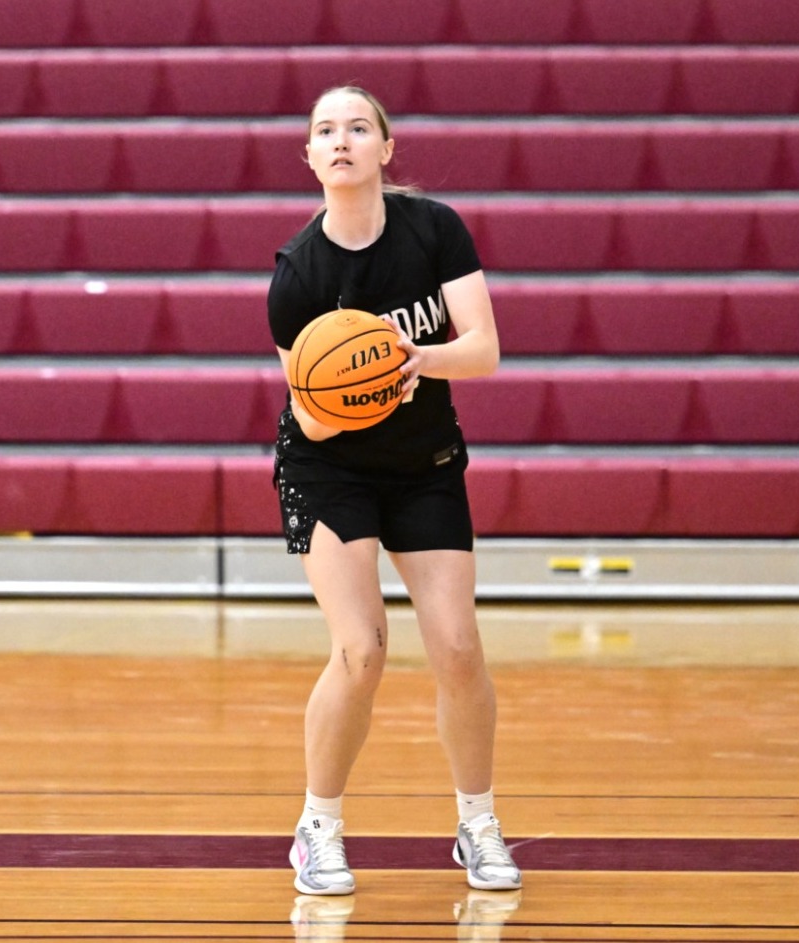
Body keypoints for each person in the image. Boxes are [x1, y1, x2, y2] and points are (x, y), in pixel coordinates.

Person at [267, 86, 522, 897]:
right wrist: (361, 391)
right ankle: (319, 827)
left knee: (456, 646)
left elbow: (482, 349)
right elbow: (308, 423)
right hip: (329, 470)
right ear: (309, 158)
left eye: (356, 127)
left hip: (424, 463)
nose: (339, 140)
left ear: (384, 148)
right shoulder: (297, 276)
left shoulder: (435, 229)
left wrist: (411, 362)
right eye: (323, 130)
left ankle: (477, 821)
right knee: (361, 649)